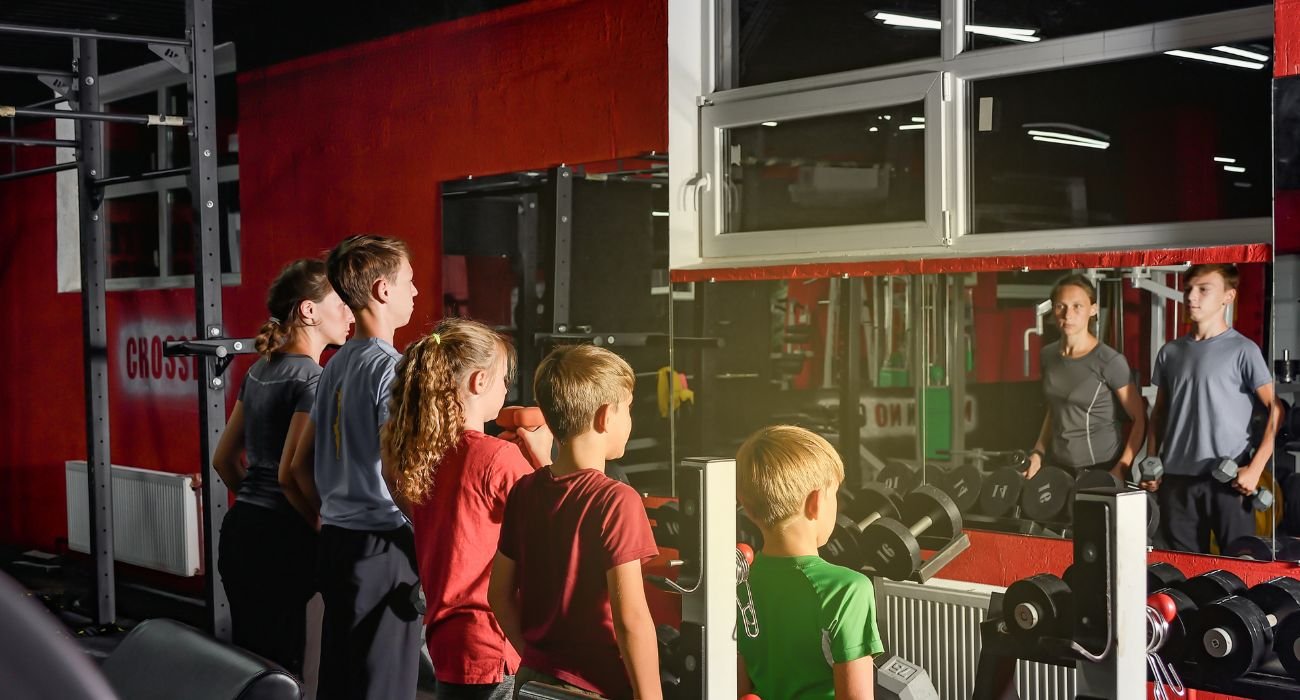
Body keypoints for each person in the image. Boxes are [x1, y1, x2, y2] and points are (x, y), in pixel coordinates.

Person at [381, 318, 552, 700]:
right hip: (493, 642)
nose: (507, 388)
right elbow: (561, 521)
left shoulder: (420, 455)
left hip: (447, 641)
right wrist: (543, 459)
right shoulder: (498, 457)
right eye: (504, 379)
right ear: (479, 381)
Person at [288, 234, 421, 699]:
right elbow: (395, 469)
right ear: (383, 290)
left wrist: (333, 515)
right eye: (409, 281)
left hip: (339, 542)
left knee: (342, 681)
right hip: (382, 546)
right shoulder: (392, 368)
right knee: (383, 687)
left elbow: (298, 466)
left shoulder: (335, 363)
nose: (415, 291)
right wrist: (426, 536)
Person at [488, 344, 661, 700]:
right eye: (628, 408)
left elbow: (499, 594)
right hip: (592, 687)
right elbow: (631, 620)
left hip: (532, 680)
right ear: (605, 417)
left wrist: (536, 657)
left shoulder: (525, 490)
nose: (631, 419)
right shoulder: (617, 501)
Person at [212, 258, 353, 675]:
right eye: (341, 304)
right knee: (284, 670)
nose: (350, 314)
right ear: (309, 310)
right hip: (283, 539)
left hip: (242, 531)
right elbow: (290, 474)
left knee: (252, 667)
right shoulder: (313, 379)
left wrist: (258, 506)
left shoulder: (259, 370)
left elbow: (224, 460)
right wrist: (321, 526)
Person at [1143, 263, 1283, 554]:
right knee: (1181, 568)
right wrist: (1152, 459)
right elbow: (1159, 413)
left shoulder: (1243, 350)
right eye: (1188, 289)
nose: (1191, 297)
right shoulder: (1170, 352)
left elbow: (1276, 409)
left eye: (1203, 290)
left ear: (1228, 297)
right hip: (1177, 480)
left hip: (1228, 481)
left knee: (1237, 566)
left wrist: (1256, 469)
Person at [735, 425, 882, 700]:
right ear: (815, 502)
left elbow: (740, 689)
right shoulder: (848, 589)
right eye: (834, 494)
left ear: (748, 507)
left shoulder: (740, 582)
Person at [1027, 274, 1147, 481]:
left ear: (1093, 309)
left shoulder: (1109, 361)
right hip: (1059, 465)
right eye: (1061, 306)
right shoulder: (1048, 355)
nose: (1068, 315)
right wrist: (1038, 453)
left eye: (1077, 306)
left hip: (1101, 467)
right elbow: (1055, 409)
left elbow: (1139, 419)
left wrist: (1121, 468)